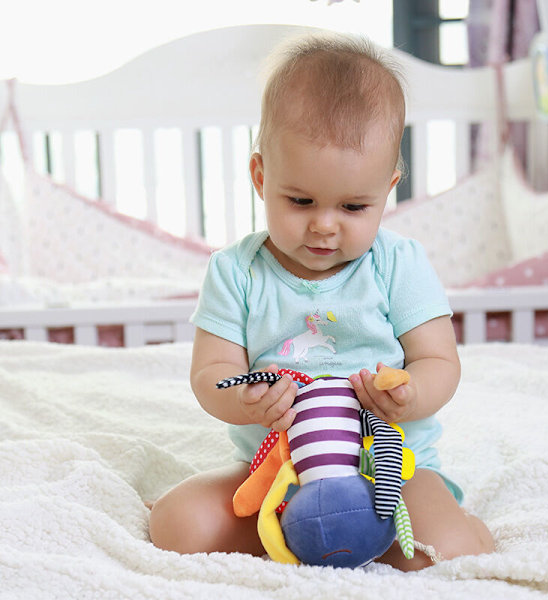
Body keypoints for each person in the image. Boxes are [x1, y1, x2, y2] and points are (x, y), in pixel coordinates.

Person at [149, 31, 494, 570]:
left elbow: (440, 361)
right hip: (280, 472)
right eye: (301, 200)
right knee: (175, 525)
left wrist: (412, 393)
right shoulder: (235, 271)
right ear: (262, 177)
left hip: (391, 473)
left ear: (389, 188)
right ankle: (296, 530)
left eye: (354, 207)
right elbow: (211, 373)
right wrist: (242, 402)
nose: (324, 226)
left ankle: (417, 529)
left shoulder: (398, 263)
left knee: (445, 553)